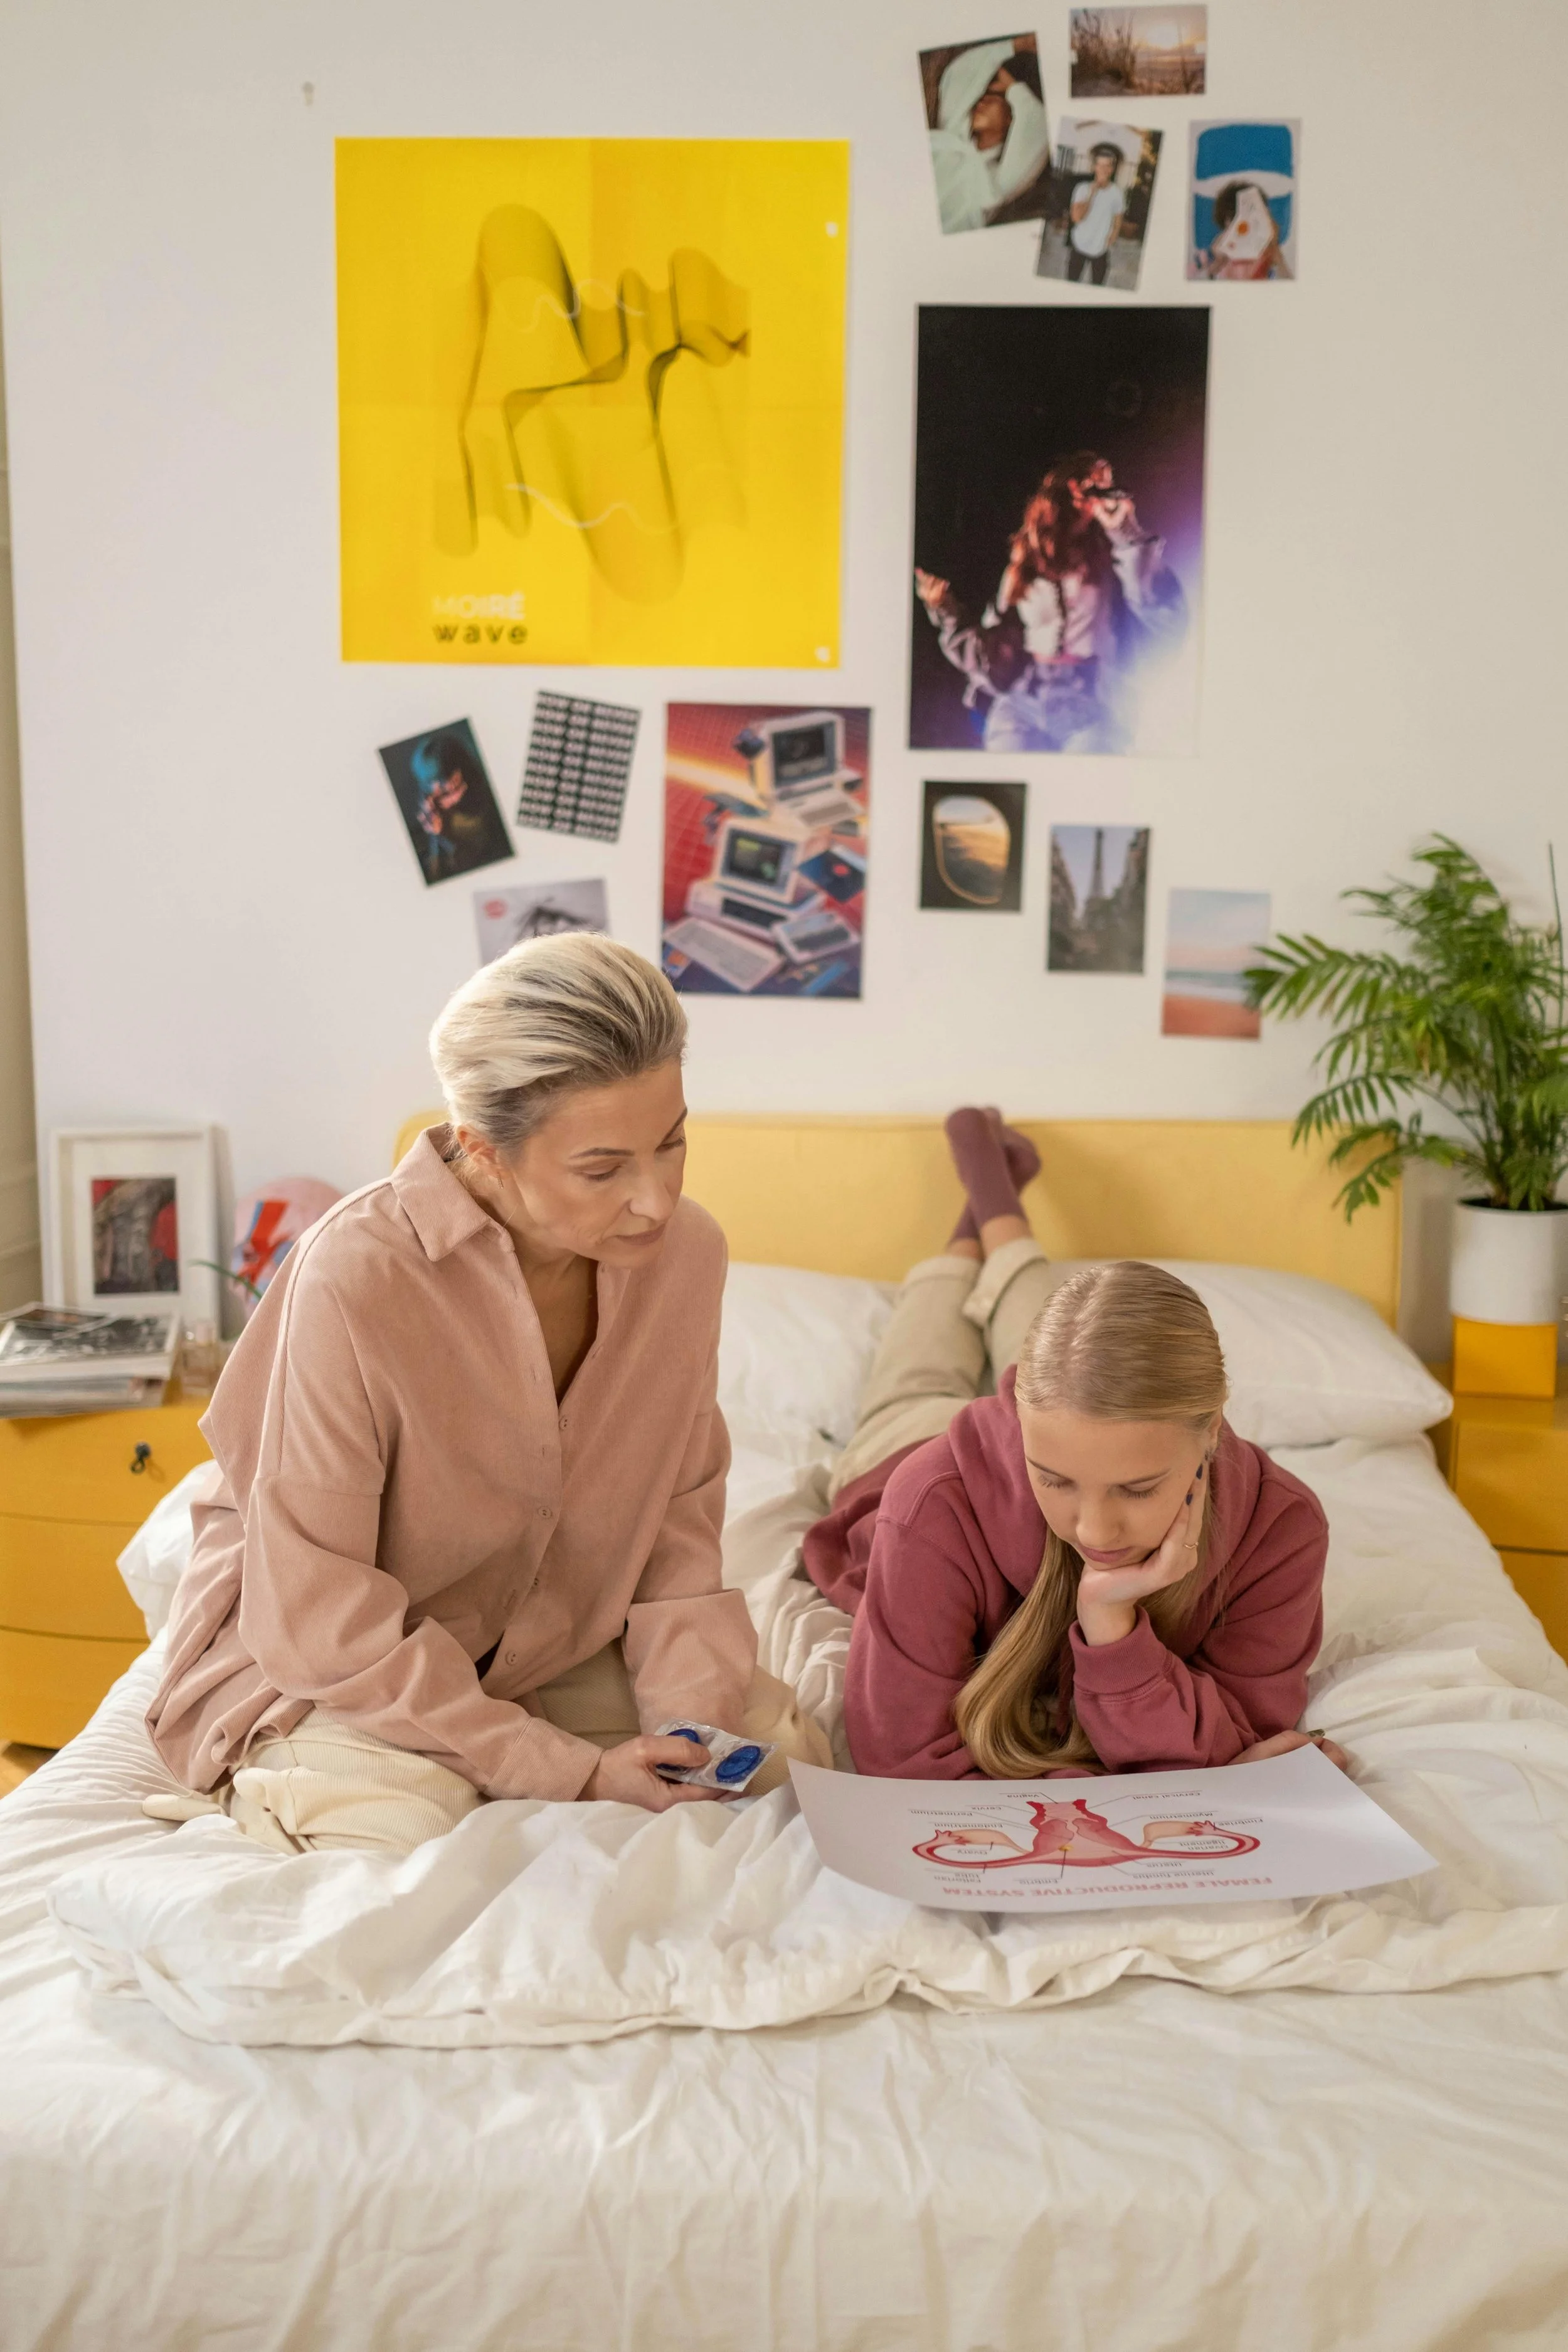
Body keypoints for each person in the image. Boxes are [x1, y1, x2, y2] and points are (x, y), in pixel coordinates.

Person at [144, 935, 829, 1855]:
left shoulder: (687, 1258)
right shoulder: (355, 1277)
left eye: (672, 1142)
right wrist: (563, 1768)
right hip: (349, 1664)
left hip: (554, 1643)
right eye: (603, 1169)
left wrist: (691, 1730)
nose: (657, 1200)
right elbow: (320, 1619)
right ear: (483, 1150)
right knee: (397, 1843)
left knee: (783, 1771)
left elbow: (677, 1526)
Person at [803, 1109, 1342, 1782]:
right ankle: (976, 1221)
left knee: (1078, 1347)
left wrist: (1110, 1622)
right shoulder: (928, 1503)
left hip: (1059, 1421)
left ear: (1211, 1431)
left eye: (1136, 1488)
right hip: (907, 1447)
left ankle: (994, 1204)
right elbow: (905, 1763)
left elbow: (1244, 1733)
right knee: (918, 1376)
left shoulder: (1281, 1525)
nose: (1092, 1531)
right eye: (1054, 1481)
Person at [914, 451, 1185, 753]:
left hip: (1093, 700)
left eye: (1105, 481)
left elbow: (1160, 610)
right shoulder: (1025, 561)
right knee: (1009, 768)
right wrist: (946, 609)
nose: (1099, 487)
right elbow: (993, 645)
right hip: (1027, 698)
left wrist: (1124, 531)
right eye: (1090, 478)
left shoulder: (1113, 553)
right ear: (1069, 486)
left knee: (1088, 771)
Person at [928, 40, 1051, 235]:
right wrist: (1017, 45)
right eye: (981, 96)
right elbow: (959, 73)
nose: (981, 101)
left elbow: (1038, 122)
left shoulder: (997, 183)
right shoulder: (953, 135)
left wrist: (1012, 85)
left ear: (1013, 116)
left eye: (994, 97)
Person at [1199, 179, 1293, 280]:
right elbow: (1195, 282)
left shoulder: (1268, 255)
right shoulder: (1216, 252)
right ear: (1226, 221)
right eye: (1234, 217)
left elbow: (1288, 285)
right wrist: (1216, 263)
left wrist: (1275, 251)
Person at [1067, 143, 1126, 285]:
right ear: (1094, 167)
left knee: (1098, 286)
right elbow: (1077, 218)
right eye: (1100, 165)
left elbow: (1118, 218)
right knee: (1071, 284)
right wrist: (1091, 195)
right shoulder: (1082, 189)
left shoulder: (1117, 193)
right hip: (1080, 244)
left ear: (1112, 169)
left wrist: (1113, 236)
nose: (1104, 170)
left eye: (1108, 166)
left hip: (1100, 249)